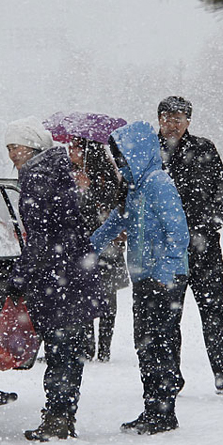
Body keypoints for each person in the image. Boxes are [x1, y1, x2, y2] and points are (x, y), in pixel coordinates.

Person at [4, 117, 105, 441]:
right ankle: (61, 416)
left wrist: (20, 276)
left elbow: (40, 238)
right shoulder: (56, 171)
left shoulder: (38, 176)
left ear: (32, 147)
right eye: (8, 148)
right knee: (68, 352)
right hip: (72, 276)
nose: (12, 155)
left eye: (16, 147)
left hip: (59, 281)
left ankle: (58, 418)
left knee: (62, 353)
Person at [91, 121, 189, 435]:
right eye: (117, 158)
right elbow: (113, 224)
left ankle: (164, 412)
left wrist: (164, 272)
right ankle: (153, 407)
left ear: (138, 153)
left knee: (159, 343)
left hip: (165, 278)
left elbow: (179, 233)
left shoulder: (158, 182)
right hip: (143, 278)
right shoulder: (134, 190)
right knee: (145, 344)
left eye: (123, 156)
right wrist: (85, 248)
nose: (120, 163)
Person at [157, 95, 223, 395]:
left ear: (188, 121)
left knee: (214, 309)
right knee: (166, 316)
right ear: (158, 119)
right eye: (166, 117)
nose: (172, 124)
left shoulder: (204, 149)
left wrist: (211, 223)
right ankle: (166, 381)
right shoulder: (149, 152)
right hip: (166, 250)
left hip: (204, 248)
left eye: (178, 118)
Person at [67, 135, 130, 362]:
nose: (70, 151)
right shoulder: (69, 175)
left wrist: (88, 190)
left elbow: (108, 210)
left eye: (75, 148)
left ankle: (104, 348)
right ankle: (87, 346)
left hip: (106, 246)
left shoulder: (107, 178)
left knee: (108, 297)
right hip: (83, 246)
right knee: (84, 296)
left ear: (87, 152)